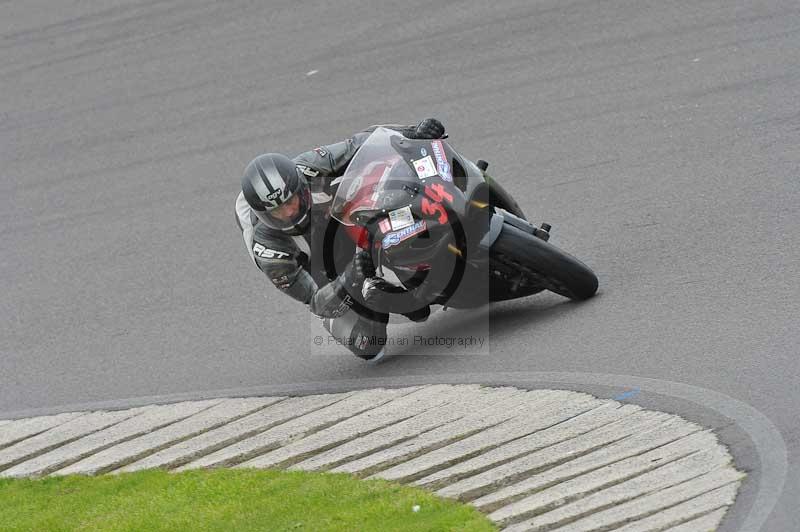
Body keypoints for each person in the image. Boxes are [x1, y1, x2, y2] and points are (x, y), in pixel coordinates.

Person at [235, 119, 446, 362]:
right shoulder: (269, 250)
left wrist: (414, 132)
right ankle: (385, 292)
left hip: (332, 217)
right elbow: (316, 301)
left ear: (299, 185)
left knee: (380, 192)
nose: (288, 213)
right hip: (317, 269)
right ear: (264, 215)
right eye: (277, 212)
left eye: (290, 201)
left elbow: (362, 142)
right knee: (367, 346)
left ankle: (423, 248)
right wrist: (353, 275)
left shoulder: (307, 167)